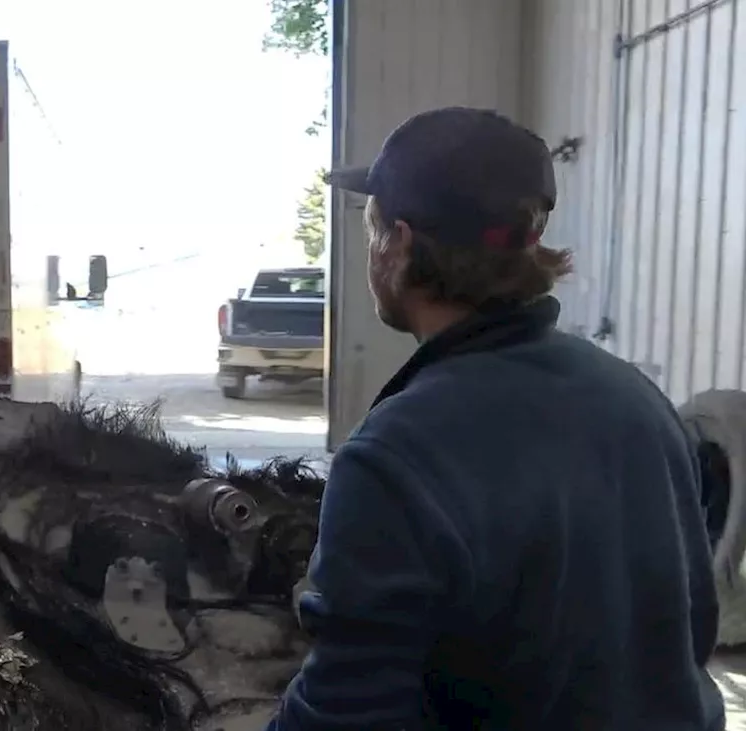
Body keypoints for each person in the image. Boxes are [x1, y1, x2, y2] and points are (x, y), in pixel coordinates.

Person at [268, 107, 725, 730]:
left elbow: (343, 717)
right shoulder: (637, 399)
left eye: (371, 229)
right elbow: (689, 633)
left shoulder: (396, 453)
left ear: (398, 246)